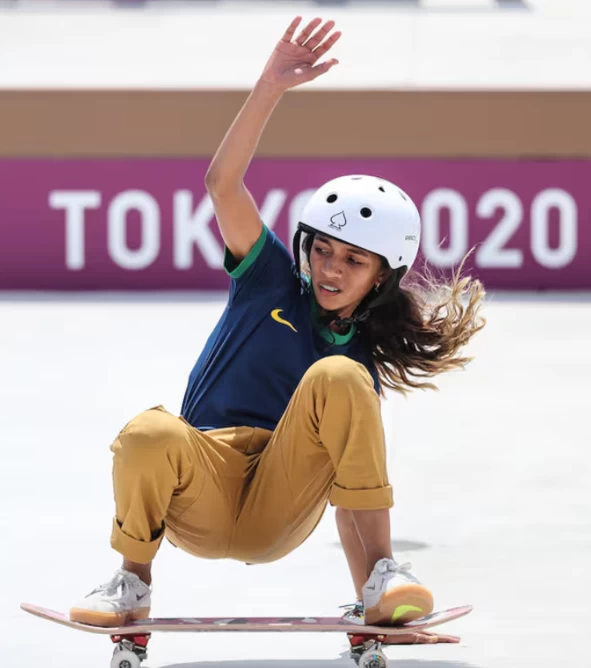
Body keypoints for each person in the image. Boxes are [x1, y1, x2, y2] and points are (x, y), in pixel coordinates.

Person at [69, 16, 485, 645]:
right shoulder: (267, 279)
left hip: (279, 502)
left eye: (353, 261)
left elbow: (351, 501)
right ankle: (131, 586)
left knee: (341, 377)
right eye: (323, 250)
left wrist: (378, 618)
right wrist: (269, 87)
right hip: (199, 488)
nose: (331, 269)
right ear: (305, 245)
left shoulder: (357, 358)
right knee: (147, 431)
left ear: (381, 276)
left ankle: (379, 583)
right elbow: (222, 184)